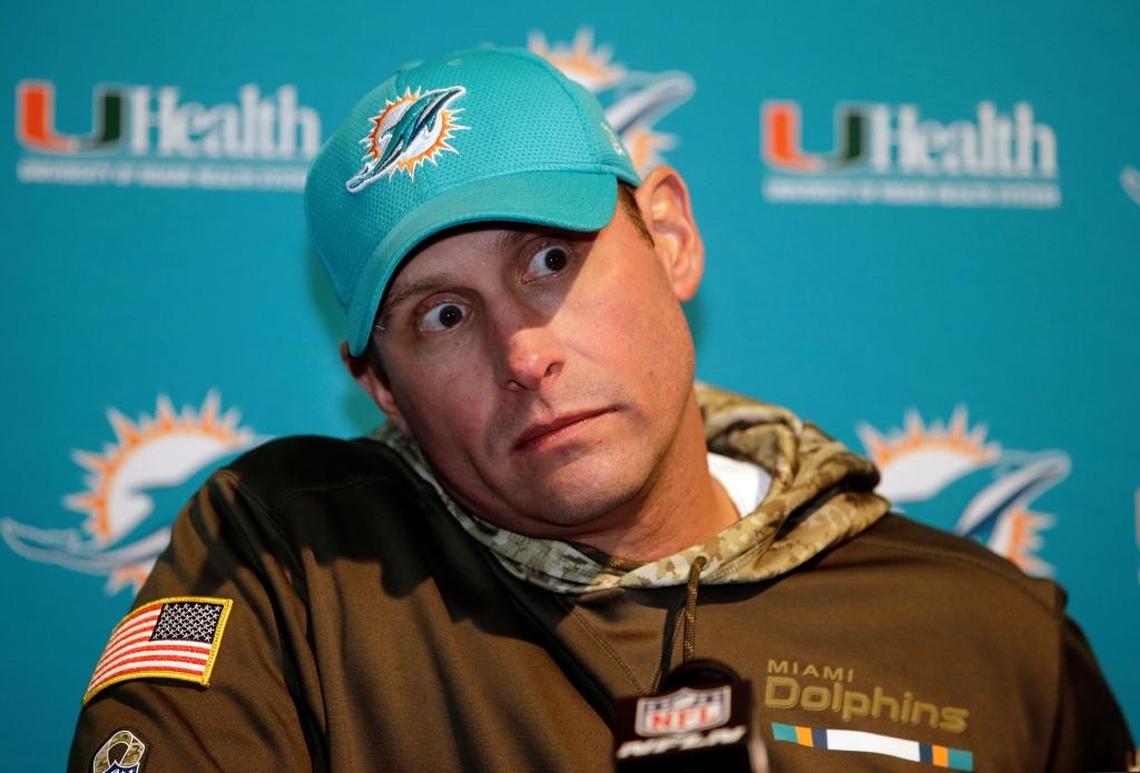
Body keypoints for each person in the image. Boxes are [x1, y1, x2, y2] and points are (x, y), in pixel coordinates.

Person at [69, 46, 1133, 772]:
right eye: (442, 315)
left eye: (550, 256)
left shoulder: (990, 631)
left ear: (669, 236)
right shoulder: (290, 558)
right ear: (381, 388)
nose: (524, 352)